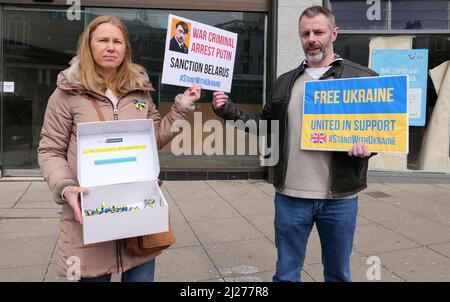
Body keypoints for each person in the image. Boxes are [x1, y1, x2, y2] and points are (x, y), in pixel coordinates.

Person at [212, 6, 376, 282]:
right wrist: (228, 110)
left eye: (318, 32)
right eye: (305, 33)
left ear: (333, 34)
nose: (311, 38)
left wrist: (369, 146)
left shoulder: (360, 77)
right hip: (290, 197)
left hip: (340, 199)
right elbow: (265, 125)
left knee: (338, 274)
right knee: (286, 274)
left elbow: (380, 128)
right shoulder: (285, 82)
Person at [37, 15, 201, 282]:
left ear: (126, 49)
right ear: (88, 45)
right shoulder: (66, 93)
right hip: (87, 217)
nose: (111, 47)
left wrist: (183, 104)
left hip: (138, 215)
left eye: (118, 41)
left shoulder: (139, 90)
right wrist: (65, 187)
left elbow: (155, 138)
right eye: (103, 40)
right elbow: (50, 149)